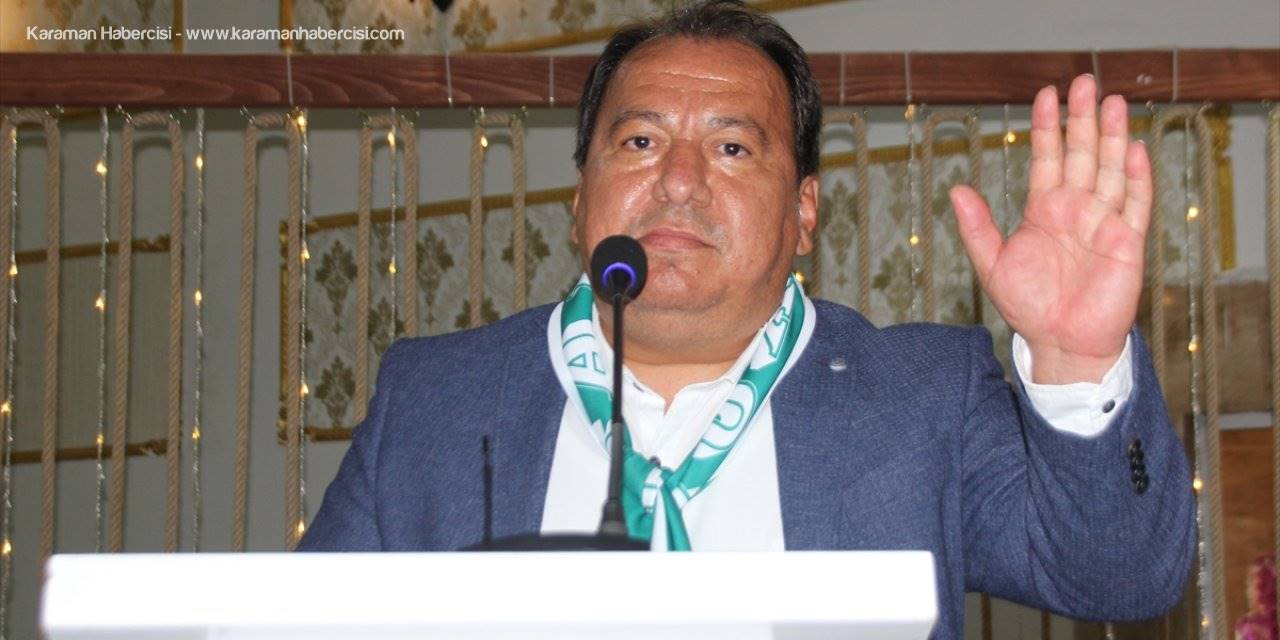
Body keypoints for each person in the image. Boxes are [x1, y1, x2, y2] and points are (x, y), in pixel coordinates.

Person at [300, 0, 1195, 635]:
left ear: (805, 211)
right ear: (579, 200)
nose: (679, 180)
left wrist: (1077, 362)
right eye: (640, 141)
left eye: (731, 147)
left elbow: (1120, 579)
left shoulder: (924, 399)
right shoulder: (434, 399)